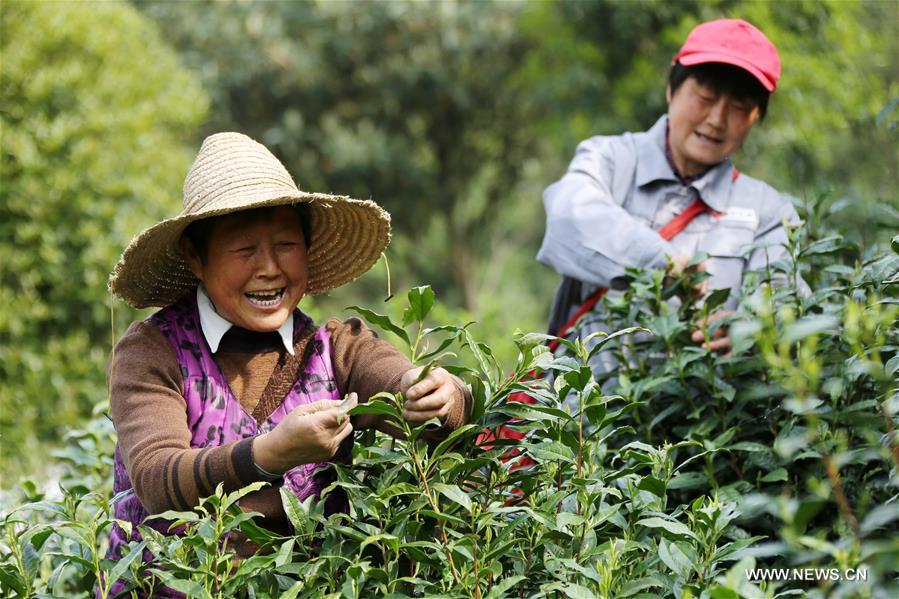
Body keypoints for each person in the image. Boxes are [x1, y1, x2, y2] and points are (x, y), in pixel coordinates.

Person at [104, 132, 472, 594]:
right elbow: (158, 480)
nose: (270, 268)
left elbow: (408, 389)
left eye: (285, 244)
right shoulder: (152, 351)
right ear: (195, 258)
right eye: (244, 249)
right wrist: (270, 454)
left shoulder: (335, 347)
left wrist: (440, 394)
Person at [537, 18, 808, 366]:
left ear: (757, 116)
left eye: (740, 104)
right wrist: (665, 264)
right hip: (584, 418)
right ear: (671, 87)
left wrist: (749, 332)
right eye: (706, 94)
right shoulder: (610, 160)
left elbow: (788, 314)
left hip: (704, 417)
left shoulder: (769, 213)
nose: (717, 118)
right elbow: (568, 218)